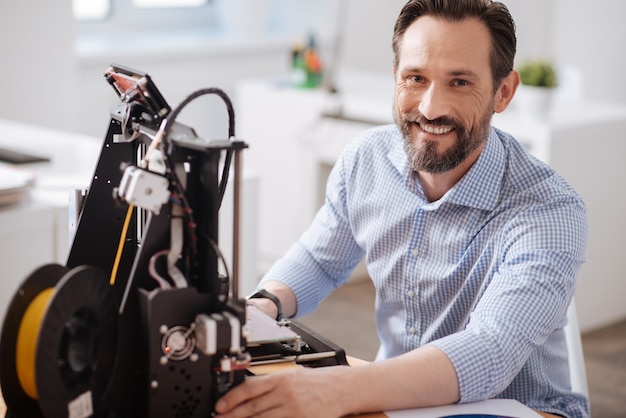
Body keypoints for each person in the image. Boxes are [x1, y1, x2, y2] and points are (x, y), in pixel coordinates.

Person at [215, 0, 589, 417]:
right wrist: (262, 308)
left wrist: (333, 389)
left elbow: (491, 352)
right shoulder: (365, 159)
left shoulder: (548, 209)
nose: (431, 108)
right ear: (395, 78)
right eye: (416, 78)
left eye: (460, 82)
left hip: (521, 408)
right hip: (399, 399)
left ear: (503, 92)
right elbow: (320, 261)